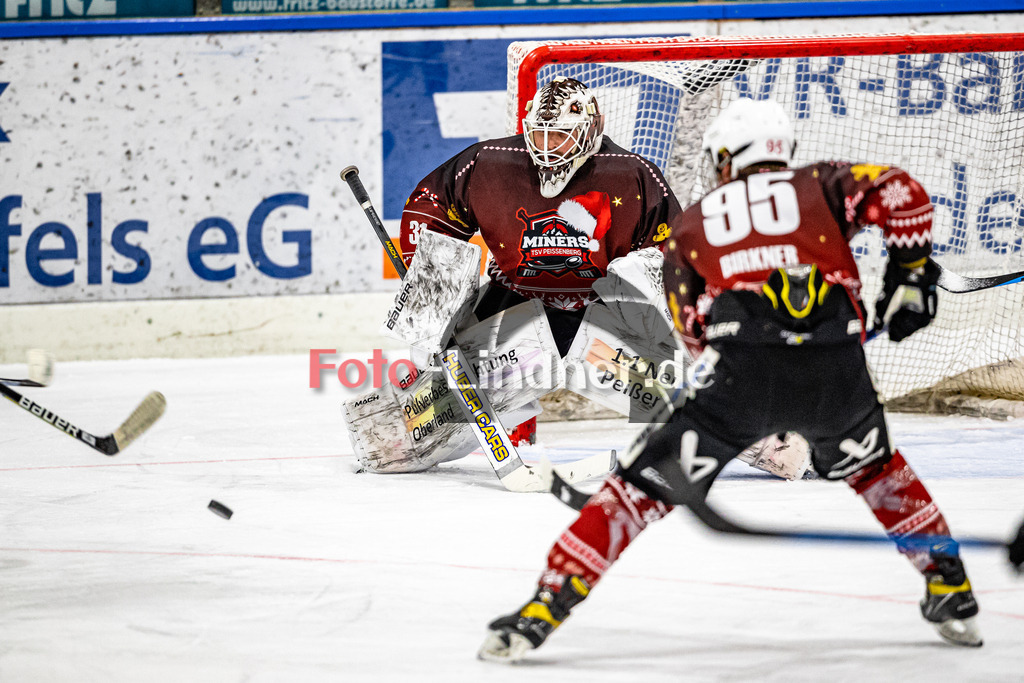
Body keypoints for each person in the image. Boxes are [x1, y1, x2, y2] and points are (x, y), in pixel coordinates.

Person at [478, 97, 982, 663]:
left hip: (738, 381)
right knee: (881, 473)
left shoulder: (692, 222)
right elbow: (901, 191)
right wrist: (909, 274)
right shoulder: (823, 184)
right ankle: (950, 585)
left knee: (637, 491)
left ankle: (545, 606)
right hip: (837, 376)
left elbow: (694, 333)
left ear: (724, 159)